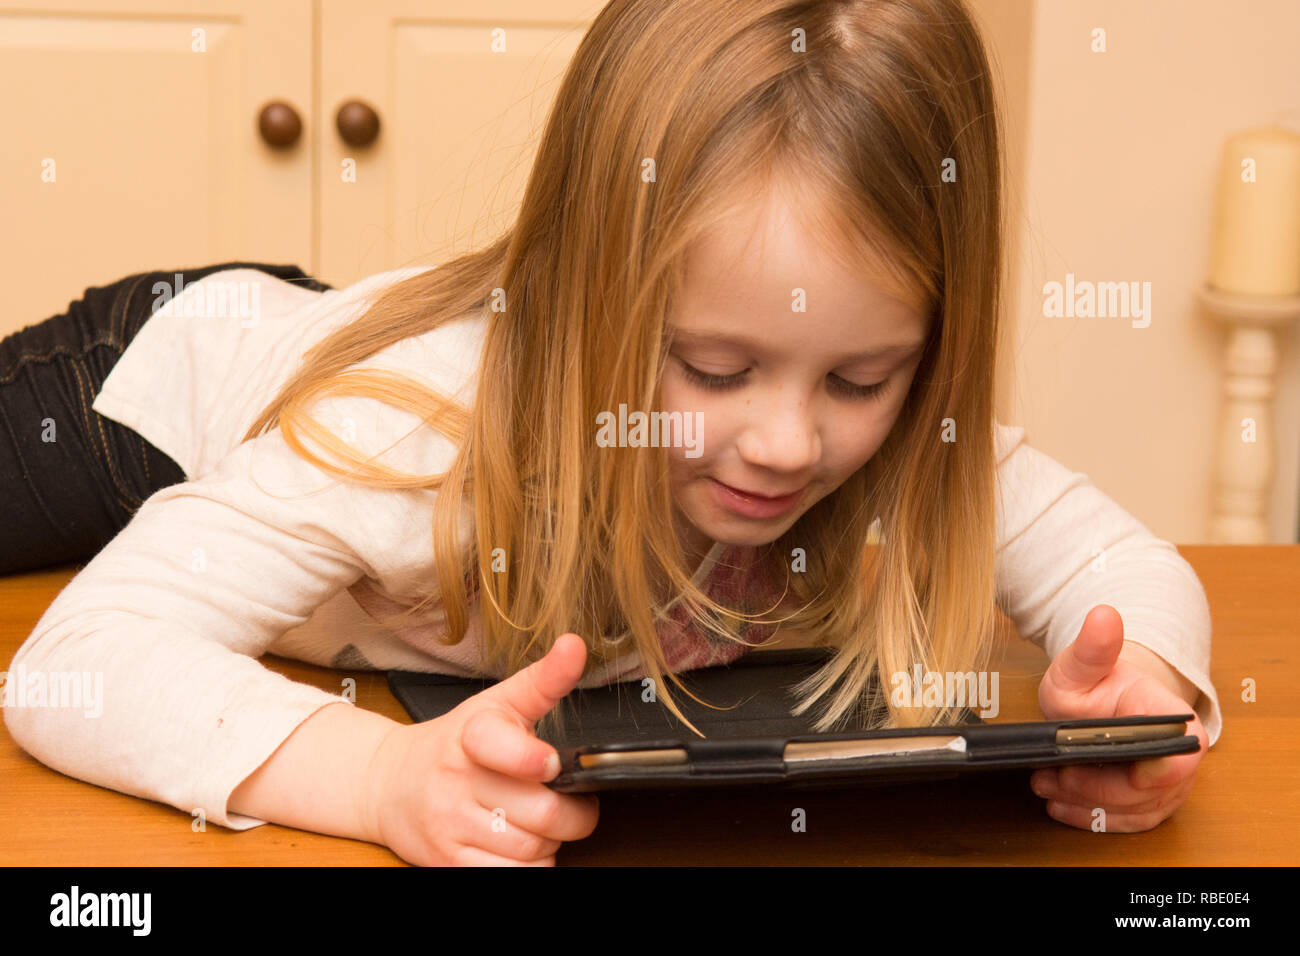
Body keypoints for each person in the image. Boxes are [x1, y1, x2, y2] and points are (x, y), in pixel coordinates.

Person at [2, 0, 1220, 866]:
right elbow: (80, 662)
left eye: (860, 375)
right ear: (586, 303)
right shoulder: (415, 435)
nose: (788, 441)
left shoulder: (910, 448)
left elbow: (1127, 567)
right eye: (715, 366)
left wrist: (1139, 695)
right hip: (145, 388)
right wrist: (378, 778)